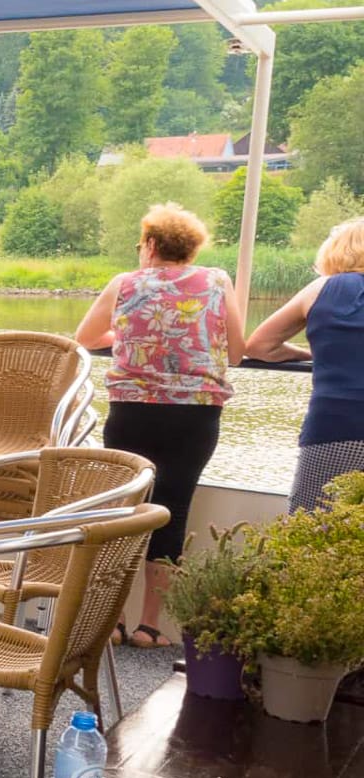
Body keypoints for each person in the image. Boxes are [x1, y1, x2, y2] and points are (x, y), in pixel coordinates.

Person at [75, 203, 245, 649]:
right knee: (173, 509)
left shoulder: (125, 284)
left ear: (150, 244)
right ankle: (150, 628)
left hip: (133, 409)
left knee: (124, 509)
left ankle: (110, 622)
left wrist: (129, 337)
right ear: (191, 249)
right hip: (196, 413)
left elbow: (86, 339)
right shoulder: (217, 280)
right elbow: (238, 351)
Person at [245, 216, 364, 512]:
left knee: (310, 521)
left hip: (333, 424)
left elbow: (259, 346)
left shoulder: (321, 288)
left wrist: (310, 354)